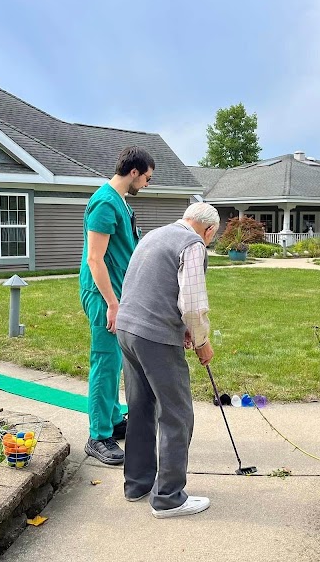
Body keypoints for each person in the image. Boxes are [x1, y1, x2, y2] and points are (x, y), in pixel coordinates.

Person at [116, 202, 220, 519]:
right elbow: (192, 304)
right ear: (210, 229)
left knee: (141, 408)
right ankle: (169, 498)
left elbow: (154, 287)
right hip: (154, 336)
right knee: (177, 414)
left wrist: (183, 331)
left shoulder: (156, 234)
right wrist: (201, 340)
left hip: (127, 328)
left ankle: (137, 484)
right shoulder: (192, 243)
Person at [80, 145, 154, 465]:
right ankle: (98, 436)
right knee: (105, 363)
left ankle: (111, 420)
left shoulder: (120, 202)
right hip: (102, 295)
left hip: (117, 295)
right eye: (147, 178)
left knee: (115, 360)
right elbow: (95, 260)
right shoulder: (104, 204)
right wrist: (112, 303)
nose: (148, 184)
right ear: (133, 172)